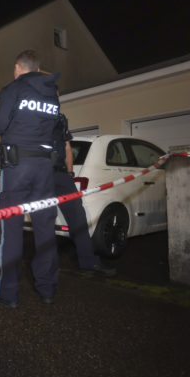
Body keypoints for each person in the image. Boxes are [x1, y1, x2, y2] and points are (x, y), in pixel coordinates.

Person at [0, 49, 61, 308]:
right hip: (44, 167)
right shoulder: (52, 94)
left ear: (18, 67)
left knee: (12, 228)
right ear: (38, 69)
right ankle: (47, 289)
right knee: (45, 227)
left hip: (17, 166)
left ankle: (7, 293)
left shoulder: (13, 89)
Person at [53, 113, 117, 277]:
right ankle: (47, 269)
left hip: (62, 176)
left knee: (78, 217)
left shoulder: (59, 118)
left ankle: (89, 262)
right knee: (44, 221)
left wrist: (69, 174)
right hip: (39, 175)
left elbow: (67, 147)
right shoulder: (31, 113)